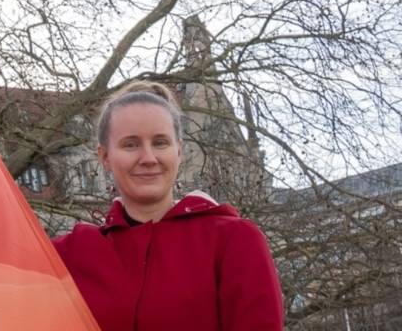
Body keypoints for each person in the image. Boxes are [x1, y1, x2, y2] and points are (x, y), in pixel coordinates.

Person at [52, 80, 283, 330]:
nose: (148, 158)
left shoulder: (232, 239)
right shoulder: (70, 254)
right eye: (131, 144)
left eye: (160, 142)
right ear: (105, 157)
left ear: (179, 151)